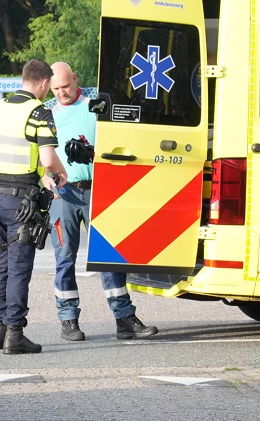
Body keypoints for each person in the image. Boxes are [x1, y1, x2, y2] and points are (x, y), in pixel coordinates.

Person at [48, 62, 157, 342]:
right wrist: (43, 177)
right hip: (64, 193)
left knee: (110, 256)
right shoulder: (47, 111)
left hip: (100, 189)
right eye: (56, 88)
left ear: (75, 79)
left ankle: (124, 318)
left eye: (66, 86)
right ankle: (68, 319)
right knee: (65, 258)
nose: (62, 93)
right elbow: (35, 148)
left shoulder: (98, 101)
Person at [0, 59, 68, 354]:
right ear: (42, 83)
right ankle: (15, 334)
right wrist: (59, 173)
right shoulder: (39, 111)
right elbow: (49, 159)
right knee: (19, 267)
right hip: (20, 201)